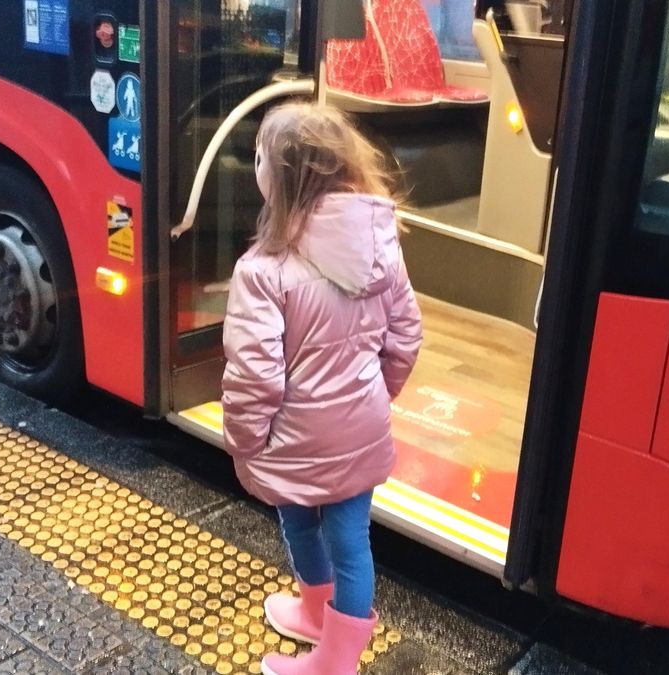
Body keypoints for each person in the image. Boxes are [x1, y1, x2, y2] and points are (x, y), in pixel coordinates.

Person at [220, 101, 423, 675]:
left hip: (296, 436)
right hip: (361, 425)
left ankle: (330, 658)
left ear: (278, 177)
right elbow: (406, 335)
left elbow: (255, 376)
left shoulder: (264, 270)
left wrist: (244, 443)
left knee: (298, 519)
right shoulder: (381, 247)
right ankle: (322, 626)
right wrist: (374, 398)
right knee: (351, 540)